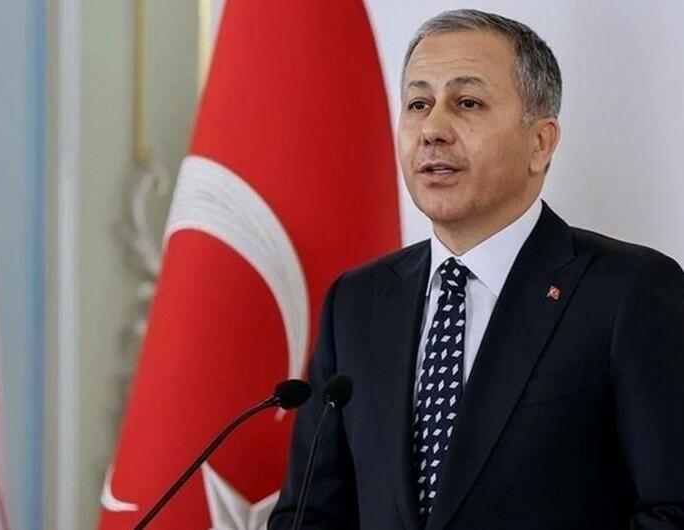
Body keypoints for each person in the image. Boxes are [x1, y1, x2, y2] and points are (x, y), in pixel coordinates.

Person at [268, 9, 684, 530]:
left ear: (540, 143)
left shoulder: (630, 292)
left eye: (467, 103)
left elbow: (673, 509)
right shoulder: (357, 302)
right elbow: (309, 514)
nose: (432, 130)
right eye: (418, 104)